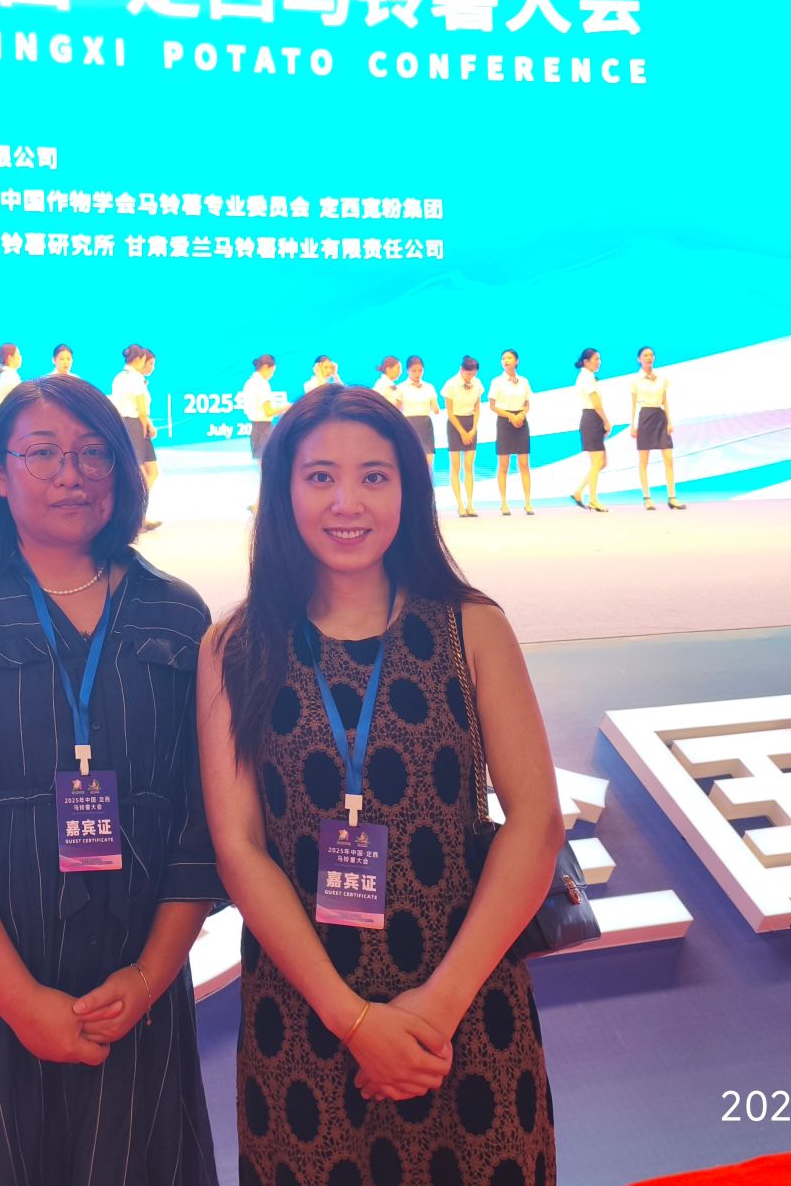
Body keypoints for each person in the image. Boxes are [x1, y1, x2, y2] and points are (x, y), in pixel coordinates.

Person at [193, 384, 561, 1186]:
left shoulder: (471, 626)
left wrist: (434, 1007)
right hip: (305, 1022)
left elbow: (536, 821)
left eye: (374, 476)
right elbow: (238, 846)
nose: (347, 502)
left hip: (466, 1015)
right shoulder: (236, 646)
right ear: (282, 491)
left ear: (408, 490)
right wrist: (353, 1020)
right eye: (320, 477)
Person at [0, 373, 222, 1186]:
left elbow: (202, 825)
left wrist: (147, 978)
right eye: (43, 453)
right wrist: (22, 1002)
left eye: (95, 453)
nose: (72, 474)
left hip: (134, 987)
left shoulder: (179, 616)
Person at [110, 345, 161, 530]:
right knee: (140, 475)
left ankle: (140, 514)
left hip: (127, 424)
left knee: (152, 471)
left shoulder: (119, 377)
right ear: (139, 360)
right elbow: (142, 409)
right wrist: (148, 425)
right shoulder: (135, 378)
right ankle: (135, 517)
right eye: (148, 362)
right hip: (135, 425)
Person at [631, 346, 686, 511]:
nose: (649, 358)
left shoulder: (662, 378)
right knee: (644, 461)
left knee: (668, 459)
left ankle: (672, 497)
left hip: (660, 417)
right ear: (639, 359)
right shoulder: (635, 380)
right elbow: (633, 405)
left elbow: (665, 401)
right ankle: (647, 498)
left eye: (651, 355)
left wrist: (669, 421)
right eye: (645, 355)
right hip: (645, 418)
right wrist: (632, 425)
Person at [489, 350, 535, 518]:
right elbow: (492, 405)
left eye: (509, 358)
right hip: (504, 421)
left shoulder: (524, 381)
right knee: (504, 465)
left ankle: (528, 502)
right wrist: (510, 416)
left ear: (517, 361)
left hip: (521, 421)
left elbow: (527, 404)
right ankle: (504, 503)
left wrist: (521, 414)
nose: (505, 360)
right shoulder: (496, 381)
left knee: (524, 464)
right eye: (503, 358)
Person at [440, 356, 484, 519]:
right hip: (455, 425)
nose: (470, 377)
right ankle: (459, 505)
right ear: (461, 370)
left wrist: (473, 429)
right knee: (456, 466)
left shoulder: (477, 384)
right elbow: (450, 413)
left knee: (469, 465)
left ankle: (470, 504)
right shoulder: (450, 384)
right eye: (468, 374)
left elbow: (477, 409)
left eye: (473, 374)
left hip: (470, 423)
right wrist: (462, 432)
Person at [571, 349, 610, 513]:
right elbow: (596, 403)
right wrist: (606, 421)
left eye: (599, 358)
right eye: (595, 359)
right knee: (597, 462)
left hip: (593, 419)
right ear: (586, 361)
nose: (598, 362)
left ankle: (579, 492)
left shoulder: (589, 376)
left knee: (601, 462)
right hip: (591, 419)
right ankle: (593, 499)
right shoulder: (585, 377)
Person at [396, 356, 438, 464]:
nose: (417, 373)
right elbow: (396, 410)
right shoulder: (401, 388)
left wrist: (434, 405)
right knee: (411, 459)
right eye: (414, 371)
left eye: (420, 370)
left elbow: (436, 409)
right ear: (407, 371)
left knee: (428, 460)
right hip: (409, 425)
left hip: (426, 425)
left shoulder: (429, 387)